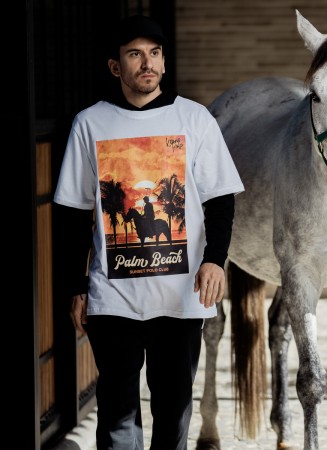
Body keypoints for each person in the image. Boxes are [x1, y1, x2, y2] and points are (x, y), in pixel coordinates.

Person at [53, 14, 244, 450]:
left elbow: (220, 201)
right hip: (113, 297)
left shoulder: (194, 119)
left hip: (180, 299)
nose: (147, 63)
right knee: (118, 417)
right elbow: (71, 214)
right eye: (135, 54)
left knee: (173, 411)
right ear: (115, 66)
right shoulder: (90, 124)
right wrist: (75, 286)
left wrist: (215, 259)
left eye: (154, 53)